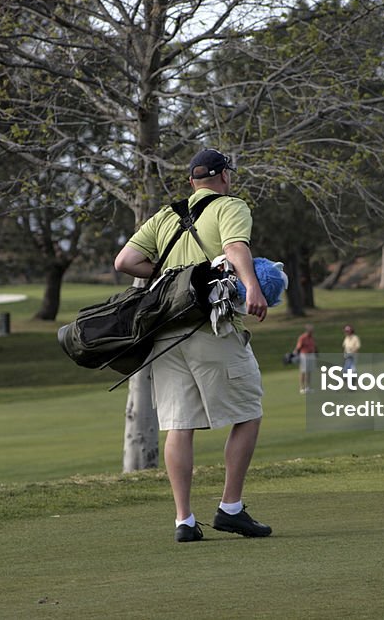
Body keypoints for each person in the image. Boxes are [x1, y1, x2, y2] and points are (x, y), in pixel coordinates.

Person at [113, 148, 272, 543]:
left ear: (191, 181)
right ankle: (230, 508)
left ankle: (184, 520)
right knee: (249, 411)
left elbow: (125, 261)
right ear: (223, 177)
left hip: (166, 335)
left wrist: (171, 276)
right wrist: (252, 286)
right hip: (211, 328)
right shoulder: (230, 206)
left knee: (179, 426)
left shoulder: (166, 215)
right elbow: (236, 248)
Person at [294, 324, 318, 394]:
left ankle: (308, 387)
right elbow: (298, 347)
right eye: (311, 331)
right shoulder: (302, 337)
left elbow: (314, 346)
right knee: (303, 371)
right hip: (304, 355)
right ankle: (302, 387)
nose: (312, 332)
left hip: (311, 355)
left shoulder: (312, 338)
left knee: (309, 371)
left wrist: (316, 353)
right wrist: (294, 354)